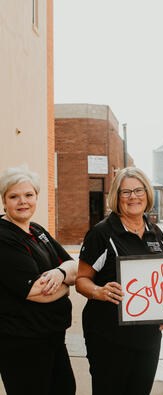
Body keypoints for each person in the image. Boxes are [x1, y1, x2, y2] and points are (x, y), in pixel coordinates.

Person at [76, 167, 163, 395]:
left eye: (138, 190)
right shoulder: (101, 233)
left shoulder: (156, 233)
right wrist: (98, 291)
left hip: (147, 337)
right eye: (125, 192)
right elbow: (81, 280)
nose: (133, 197)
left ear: (147, 194)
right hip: (108, 337)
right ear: (116, 197)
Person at [0, 165, 77, 395]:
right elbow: (37, 291)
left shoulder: (37, 230)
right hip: (23, 344)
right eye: (14, 196)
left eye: (28, 195)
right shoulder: (4, 237)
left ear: (36, 197)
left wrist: (60, 274)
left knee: (65, 389)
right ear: (4, 200)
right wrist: (66, 285)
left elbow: (74, 266)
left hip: (53, 338)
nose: (23, 201)